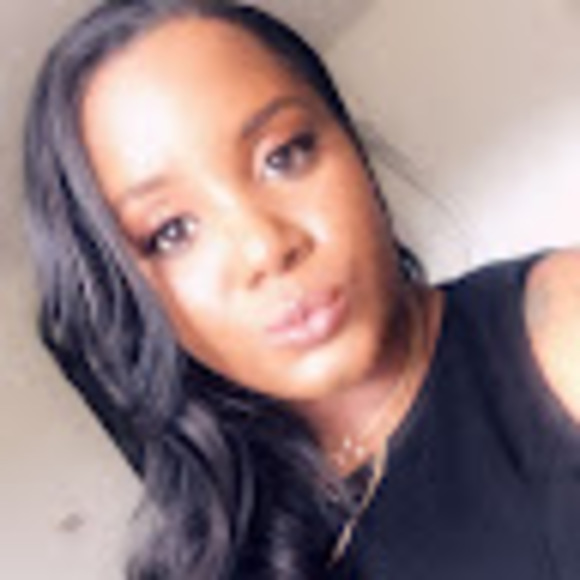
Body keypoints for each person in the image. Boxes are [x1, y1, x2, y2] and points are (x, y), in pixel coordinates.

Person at [23, 0, 580, 579]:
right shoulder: (218, 549)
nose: (265, 248)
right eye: (172, 232)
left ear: (351, 145)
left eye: (284, 156)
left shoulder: (558, 324)